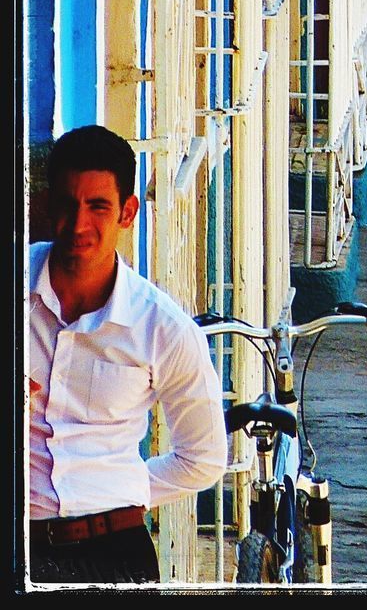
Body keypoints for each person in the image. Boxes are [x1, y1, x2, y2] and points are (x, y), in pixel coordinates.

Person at [26, 125, 228, 585]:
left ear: (127, 212)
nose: (79, 225)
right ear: (46, 205)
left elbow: (204, 458)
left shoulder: (162, 328)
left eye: (98, 207)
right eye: (68, 204)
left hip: (114, 555)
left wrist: (121, 490)